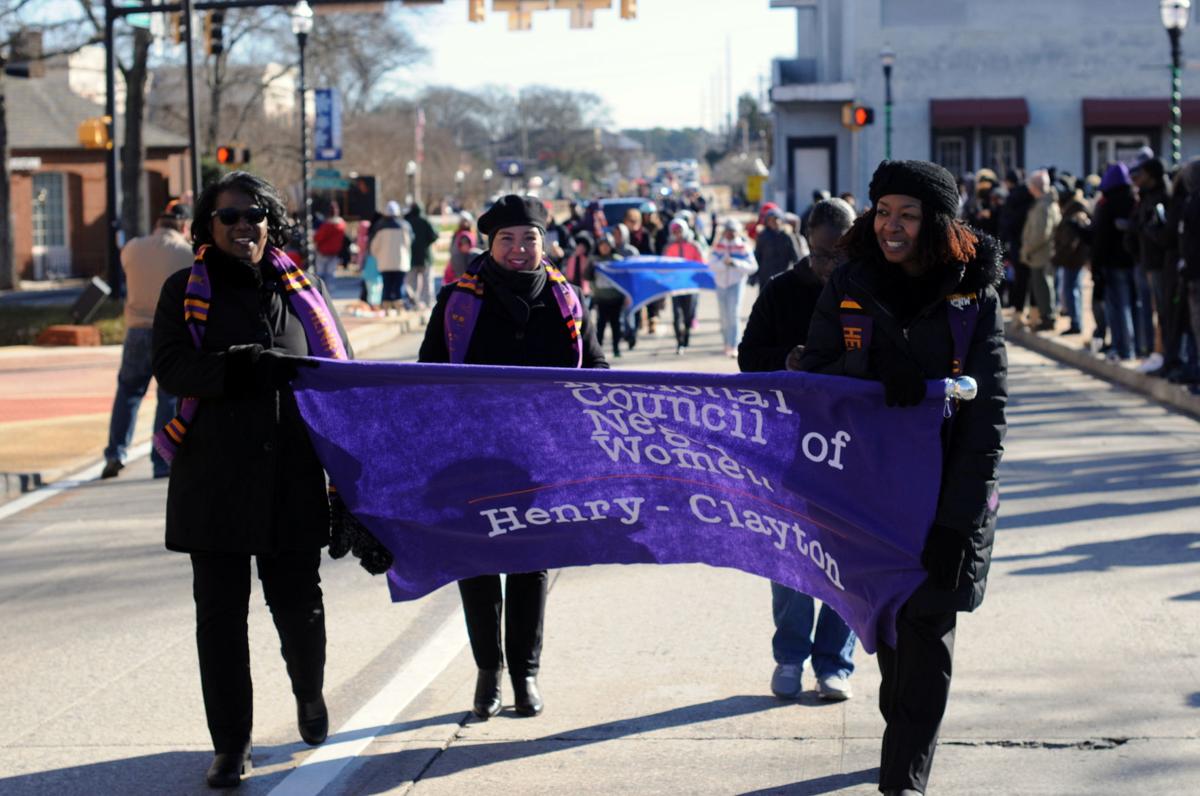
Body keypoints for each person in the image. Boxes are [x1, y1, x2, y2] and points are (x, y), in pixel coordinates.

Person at [798, 160, 1007, 796]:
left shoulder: (975, 295)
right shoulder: (850, 280)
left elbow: (987, 418)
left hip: (945, 498)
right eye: (884, 212)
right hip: (870, 495)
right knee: (894, 636)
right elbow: (815, 374)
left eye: (908, 216)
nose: (891, 226)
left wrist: (958, 524)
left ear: (936, 223)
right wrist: (870, 374)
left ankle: (903, 782)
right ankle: (903, 748)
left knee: (926, 633)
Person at [152, 171, 353, 788]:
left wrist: (354, 480)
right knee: (219, 621)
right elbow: (171, 367)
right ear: (208, 227)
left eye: (255, 215)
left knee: (299, 607)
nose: (244, 225)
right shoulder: (184, 289)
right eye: (229, 216)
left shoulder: (305, 291)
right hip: (213, 478)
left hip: (292, 476)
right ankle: (231, 745)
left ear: (272, 224)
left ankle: (309, 691)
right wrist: (242, 366)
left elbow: (343, 380)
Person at [418, 194, 608, 721]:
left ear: (545, 243)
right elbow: (427, 373)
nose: (519, 248)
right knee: (477, 563)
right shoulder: (457, 301)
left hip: (541, 456)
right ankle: (488, 672)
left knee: (529, 562)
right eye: (508, 239)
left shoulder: (567, 299)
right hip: (472, 455)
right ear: (490, 244)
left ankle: (525, 673)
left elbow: (595, 365)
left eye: (529, 238)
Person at [738, 197, 860, 701]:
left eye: (842, 253)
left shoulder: (867, 290)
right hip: (786, 441)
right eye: (824, 253)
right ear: (807, 241)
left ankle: (835, 662)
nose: (832, 264)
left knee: (843, 553)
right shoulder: (780, 291)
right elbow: (748, 358)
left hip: (850, 444)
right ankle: (790, 656)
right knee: (788, 551)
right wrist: (784, 360)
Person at [102, 203, 194, 480]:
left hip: (136, 330)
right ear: (183, 226)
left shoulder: (132, 248)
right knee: (167, 397)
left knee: (128, 392)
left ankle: (116, 453)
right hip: (169, 332)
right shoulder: (187, 254)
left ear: (157, 223)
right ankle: (161, 461)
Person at [1093, 164, 1138, 361]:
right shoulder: (1134, 199)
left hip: (1112, 263)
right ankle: (1137, 347)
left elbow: (1100, 238)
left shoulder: (1107, 204)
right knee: (1135, 306)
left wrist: (1096, 266)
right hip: (1133, 262)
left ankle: (1123, 348)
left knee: (1118, 308)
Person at [708, 218, 758, 357]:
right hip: (721, 284)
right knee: (724, 315)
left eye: (733, 231)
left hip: (736, 283)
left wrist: (735, 263)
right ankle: (726, 343)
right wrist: (724, 264)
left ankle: (734, 344)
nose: (730, 233)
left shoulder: (743, 247)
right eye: (728, 231)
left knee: (733, 314)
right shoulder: (719, 246)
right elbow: (711, 265)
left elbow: (753, 267)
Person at [1019, 170, 1061, 331]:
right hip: (1040, 253)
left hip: (1041, 254)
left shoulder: (1044, 205)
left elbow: (1041, 233)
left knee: (1043, 286)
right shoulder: (1044, 203)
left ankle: (1048, 318)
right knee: (1041, 286)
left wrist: (1028, 248)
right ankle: (1046, 316)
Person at [661, 217, 705, 355]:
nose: (678, 234)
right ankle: (679, 342)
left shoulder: (694, 246)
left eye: (680, 231)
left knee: (688, 314)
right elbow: (664, 266)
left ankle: (686, 337)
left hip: (690, 286)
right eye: (675, 231)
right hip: (676, 286)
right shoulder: (669, 247)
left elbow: (701, 263)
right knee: (676, 315)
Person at [371, 200, 413, 311]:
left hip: (385, 263)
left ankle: (387, 310)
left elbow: (374, 247)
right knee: (399, 286)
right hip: (401, 262)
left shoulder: (380, 226)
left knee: (387, 286)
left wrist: (379, 257)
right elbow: (409, 243)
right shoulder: (405, 226)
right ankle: (399, 310)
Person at [754, 207, 803, 287]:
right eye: (771, 220)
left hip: (783, 274)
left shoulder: (787, 236)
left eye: (777, 219)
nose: (774, 222)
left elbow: (796, 255)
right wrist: (754, 275)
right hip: (765, 276)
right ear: (767, 222)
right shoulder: (762, 236)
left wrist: (800, 272)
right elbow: (757, 255)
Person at [405, 201, 439, 309]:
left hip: (411, 257)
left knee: (412, 283)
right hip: (425, 257)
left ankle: (413, 303)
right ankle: (427, 303)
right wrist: (426, 242)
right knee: (427, 283)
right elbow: (434, 235)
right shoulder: (425, 221)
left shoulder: (407, 222)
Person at [312, 201, 346, 285]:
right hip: (334, 253)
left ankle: (321, 291)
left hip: (323, 253)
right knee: (330, 275)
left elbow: (317, 238)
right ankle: (329, 291)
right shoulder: (342, 224)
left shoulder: (327, 225)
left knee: (320, 275)